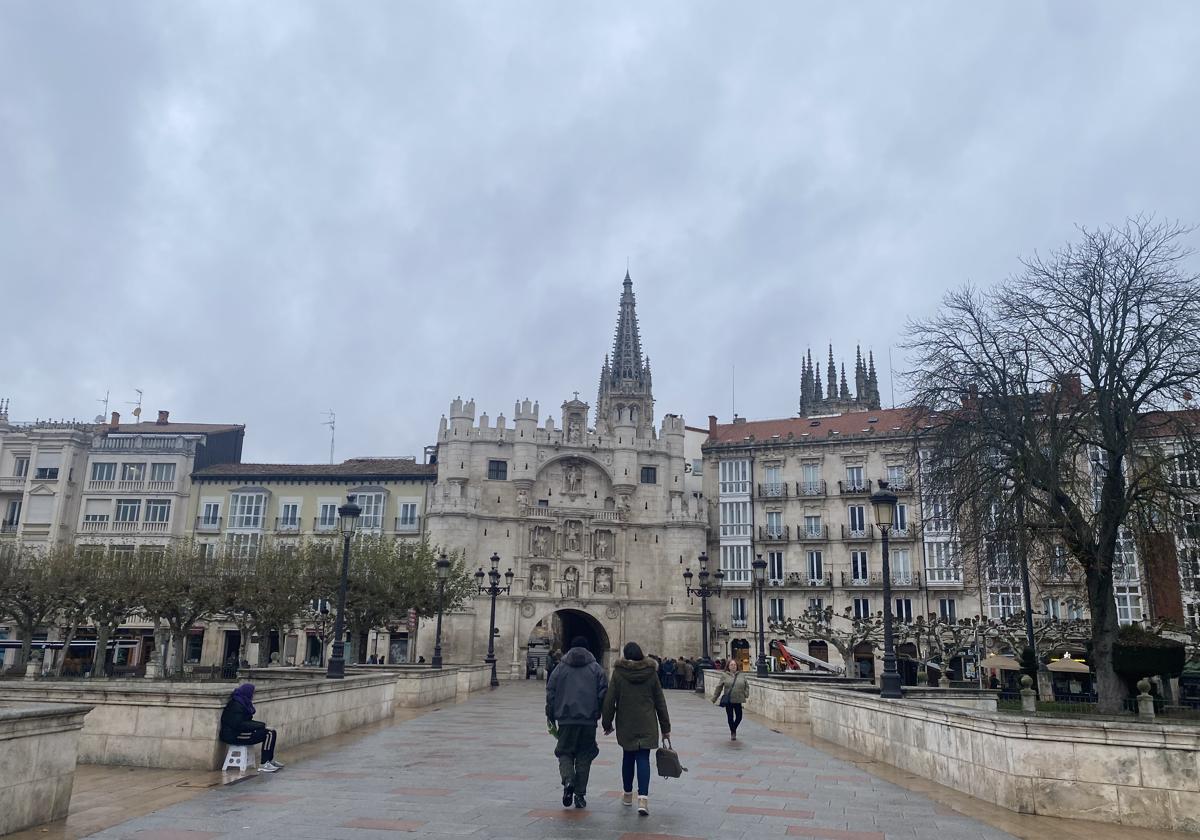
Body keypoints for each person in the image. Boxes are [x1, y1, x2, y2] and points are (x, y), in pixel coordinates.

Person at [602, 641, 671, 816]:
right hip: (647, 722)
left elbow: (610, 700)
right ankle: (643, 799)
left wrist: (607, 723)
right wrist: (665, 727)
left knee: (628, 756)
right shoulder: (651, 673)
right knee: (643, 758)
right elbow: (660, 702)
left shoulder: (618, 673)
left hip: (626, 722)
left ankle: (627, 795)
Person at [546, 636, 608, 809]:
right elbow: (603, 693)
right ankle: (580, 795)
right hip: (588, 721)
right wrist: (603, 716)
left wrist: (550, 715)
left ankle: (568, 781)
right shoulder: (596, 669)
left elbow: (550, 693)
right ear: (588, 650)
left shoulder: (560, 669)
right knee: (584, 755)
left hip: (565, 719)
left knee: (564, 752)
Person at [219, 684, 283, 772]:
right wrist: (261, 725)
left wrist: (261, 726)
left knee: (271, 732)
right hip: (233, 735)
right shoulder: (236, 705)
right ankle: (264, 764)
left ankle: (269, 760)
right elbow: (239, 724)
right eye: (252, 694)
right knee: (268, 734)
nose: (253, 696)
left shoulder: (243, 703)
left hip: (239, 732)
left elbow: (246, 722)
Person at [711, 657, 749, 740]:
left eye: (734, 665)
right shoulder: (724, 675)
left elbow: (746, 685)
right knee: (730, 717)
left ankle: (733, 728)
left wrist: (746, 694)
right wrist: (714, 698)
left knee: (739, 717)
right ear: (728, 666)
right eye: (731, 665)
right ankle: (733, 732)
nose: (733, 666)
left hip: (738, 699)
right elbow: (719, 687)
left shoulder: (741, 675)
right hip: (729, 700)